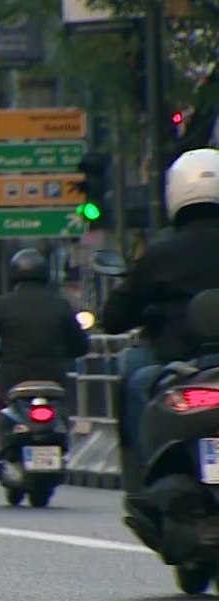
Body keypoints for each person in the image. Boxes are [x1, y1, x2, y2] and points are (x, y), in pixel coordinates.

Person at [101, 148, 219, 479]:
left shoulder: (160, 253)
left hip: (177, 366)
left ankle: (141, 475)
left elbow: (114, 317)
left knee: (135, 377)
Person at [0, 248, 90, 458]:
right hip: (54, 377)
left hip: (13, 377)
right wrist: (60, 353)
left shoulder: (3, 305)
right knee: (62, 403)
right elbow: (81, 345)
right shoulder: (60, 305)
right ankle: (61, 432)